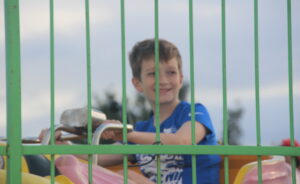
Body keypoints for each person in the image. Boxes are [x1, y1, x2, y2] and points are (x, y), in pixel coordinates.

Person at [39, 38, 221, 184]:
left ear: (181, 79)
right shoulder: (143, 128)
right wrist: (64, 147)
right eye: (153, 74)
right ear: (138, 84)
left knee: (129, 177)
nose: (163, 80)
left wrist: (127, 134)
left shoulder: (194, 112)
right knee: (105, 171)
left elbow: (182, 142)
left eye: (171, 72)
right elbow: (99, 157)